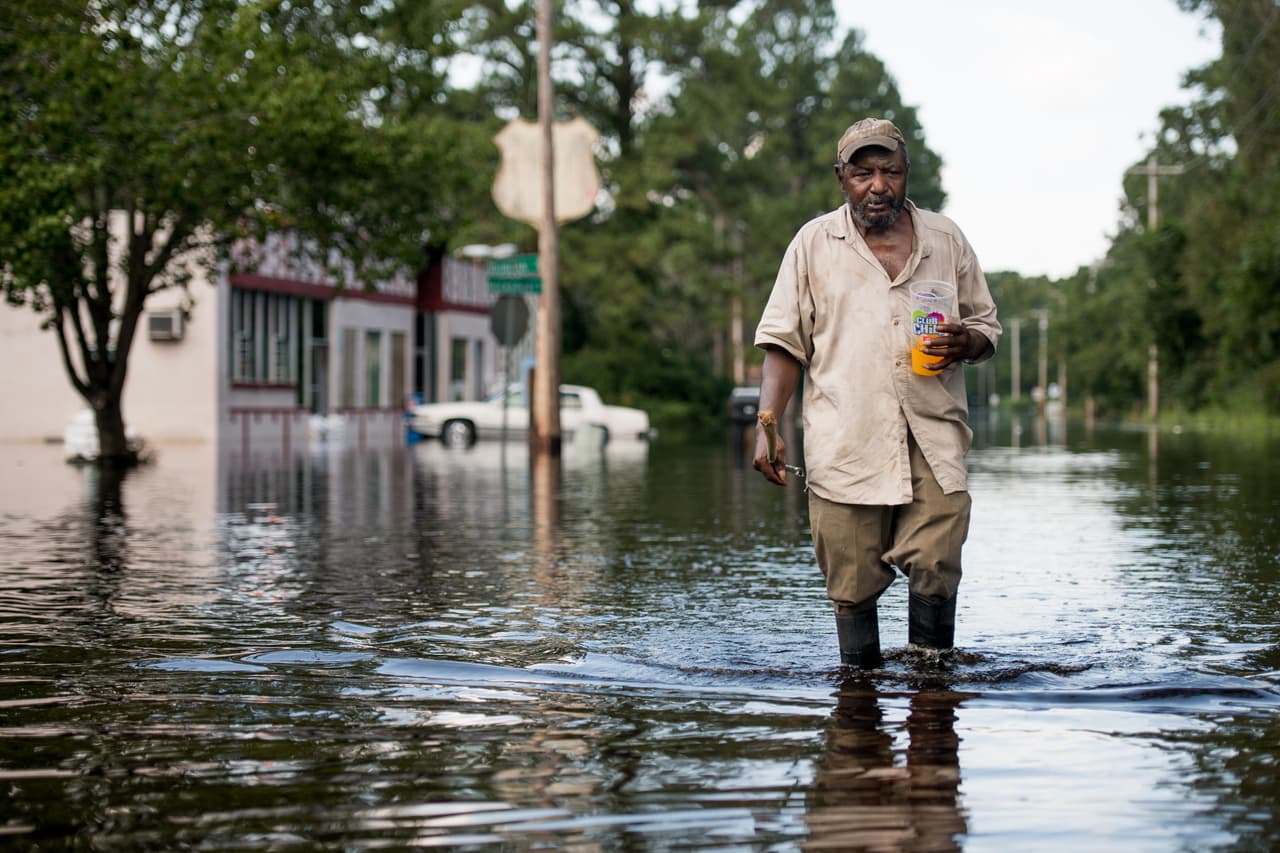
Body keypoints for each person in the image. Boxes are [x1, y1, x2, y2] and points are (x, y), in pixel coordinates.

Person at [752, 117, 1001, 669]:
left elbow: (987, 326)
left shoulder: (946, 239)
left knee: (937, 562)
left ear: (907, 173)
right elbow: (783, 344)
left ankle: (931, 708)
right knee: (852, 578)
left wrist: (969, 340)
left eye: (889, 170)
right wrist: (767, 426)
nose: (878, 185)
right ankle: (859, 720)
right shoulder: (813, 244)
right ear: (842, 178)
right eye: (863, 173)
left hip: (933, 432)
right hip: (846, 441)